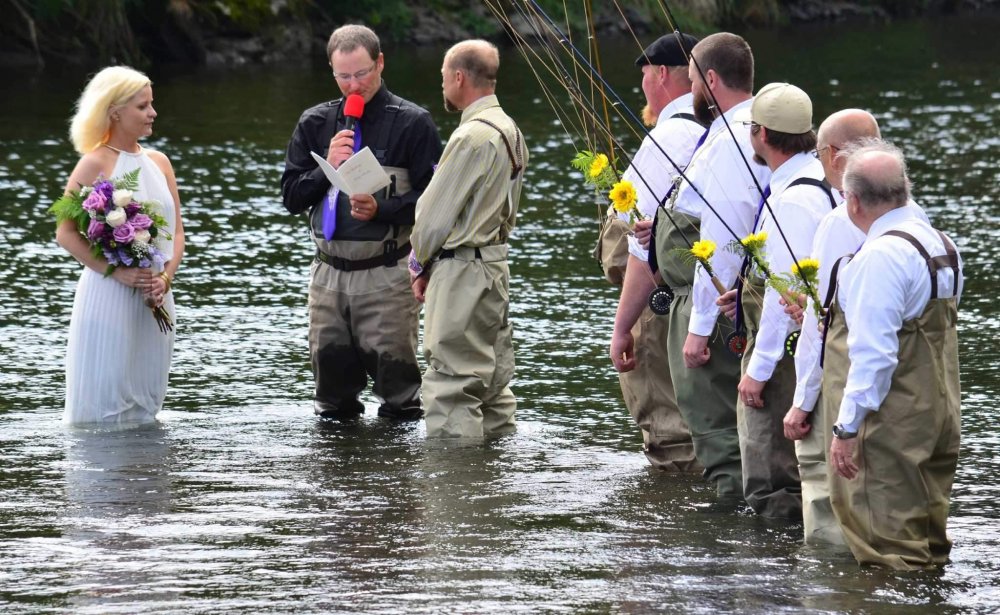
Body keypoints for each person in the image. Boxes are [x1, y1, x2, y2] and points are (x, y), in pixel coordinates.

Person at [782, 112, 931, 544]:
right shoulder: (915, 218)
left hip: (848, 393)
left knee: (830, 506)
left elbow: (822, 322)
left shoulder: (840, 224)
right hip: (911, 398)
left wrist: (801, 401)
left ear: (832, 155)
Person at [281, 25, 442, 421]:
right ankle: (340, 478)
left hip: (386, 273)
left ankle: (395, 478)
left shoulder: (413, 123)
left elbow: (435, 202)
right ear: (332, 72)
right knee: (331, 398)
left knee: (400, 395)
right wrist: (327, 168)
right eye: (344, 76)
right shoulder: (315, 122)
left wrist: (382, 210)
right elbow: (290, 197)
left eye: (362, 73)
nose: (354, 85)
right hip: (327, 274)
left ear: (381, 63)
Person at [824, 141, 962, 569]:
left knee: (887, 552)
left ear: (853, 201)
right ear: (905, 189)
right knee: (928, 541)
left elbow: (874, 356)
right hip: (938, 411)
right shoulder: (942, 244)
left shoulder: (880, 257)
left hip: (891, 421)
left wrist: (846, 428)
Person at [649, 32, 770, 497]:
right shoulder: (747, 132)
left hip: (720, 312)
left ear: (711, 79)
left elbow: (720, 243)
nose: (690, 92)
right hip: (734, 305)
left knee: (720, 436)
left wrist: (699, 328)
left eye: (694, 80)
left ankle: (730, 553)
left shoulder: (730, 143)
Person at [722, 82, 835, 519]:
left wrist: (759, 369)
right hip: (812, 340)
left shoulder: (791, 199)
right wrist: (747, 288)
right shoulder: (822, 182)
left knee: (771, 479)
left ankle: (773, 579)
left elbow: (783, 293)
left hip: (786, 353)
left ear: (763, 135)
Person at [409, 40, 528, 439]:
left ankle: (454, 493)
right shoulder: (511, 130)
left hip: (461, 271)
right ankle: (495, 483)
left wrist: (418, 264)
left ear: (459, 77)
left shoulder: (469, 137)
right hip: (494, 266)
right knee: (493, 385)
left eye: (444, 77)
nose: (442, 85)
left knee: (451, 387)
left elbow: (431, 217)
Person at [57, 66, 184, 425]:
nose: (153, 113)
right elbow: (65, 232)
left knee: (146, 399)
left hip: (156, 295)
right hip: (109, 293)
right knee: (104, 400)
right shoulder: (95, 162)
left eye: (152, 104)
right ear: (115, 111)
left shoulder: (160, 163)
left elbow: (176, 234)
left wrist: (165, 280)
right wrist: (117, 271)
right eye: (143, 106)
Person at [609, 33, 704, 472]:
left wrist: (622, 326)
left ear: (662, 73)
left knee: (669, 432)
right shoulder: (732, 132)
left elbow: (640, 249)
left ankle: (674, 525)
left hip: (664, 303)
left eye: (645, 74)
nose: (643, 85)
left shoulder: (668, 137)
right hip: (718, 302)